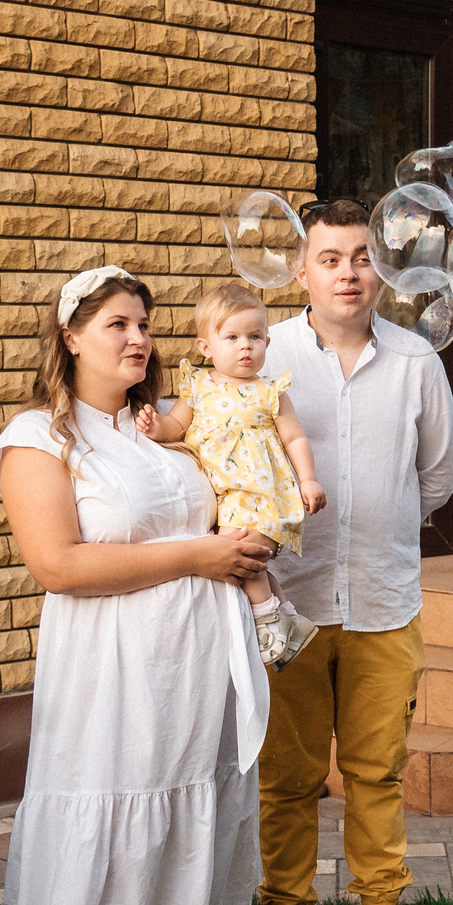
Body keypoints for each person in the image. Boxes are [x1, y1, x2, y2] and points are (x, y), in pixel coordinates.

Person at [0, 264, 276, 905]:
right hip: (111, 677)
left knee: (182, 828)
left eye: (144, 324)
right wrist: (199, 555)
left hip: (191, 675)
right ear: (71, 335)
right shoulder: (39, 438)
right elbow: (57, 563)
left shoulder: (164, 426)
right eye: (118, 323)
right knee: (116, 840)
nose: (139, 338)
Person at [252, 199, 453, 905]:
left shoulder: (416, 362)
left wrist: (382, 517)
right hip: (290, 605)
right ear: (301, 271)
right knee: (290, 776)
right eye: (331, 258)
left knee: (377, 770)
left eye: (362, 257)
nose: (349, 272)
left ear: (383, 268)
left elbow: (435, 476)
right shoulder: (262, 355)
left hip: (382, 599)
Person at [140, 281, 325, 668]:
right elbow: (175, 424)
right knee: (252, 561)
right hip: (220, 497)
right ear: (206, 347)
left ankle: (265, 619)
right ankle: (287, 615)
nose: (246, 346)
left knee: (238, 551)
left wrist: (308, 479)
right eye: (233, 337)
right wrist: (157, 429)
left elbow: (295, 438)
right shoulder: (198, 386)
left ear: (267, 343)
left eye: (255, 336)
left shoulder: (271, 391)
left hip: (257, 492)